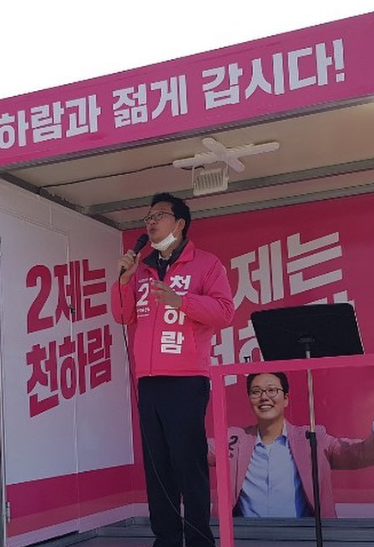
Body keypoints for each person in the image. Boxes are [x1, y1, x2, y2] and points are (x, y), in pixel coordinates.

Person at [111, 192, 234, 547]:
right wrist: (123, 281)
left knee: (188, 463)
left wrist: (182, 302)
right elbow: (123, 316)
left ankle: (198, 540)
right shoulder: (142, 269)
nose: (151, 222)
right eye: (148, 217)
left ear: (179, 224)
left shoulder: (206, 264)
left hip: (186, 379)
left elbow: (225, 312)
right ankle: (165, 540)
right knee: (157, 467)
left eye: (159, 215)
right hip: (148, 381)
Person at [208, 367, 374, 518]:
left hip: (303, 539)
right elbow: (194, 450)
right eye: (256, 391)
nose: (264, 397)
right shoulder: (233, 440)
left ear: (286, 399)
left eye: (271, 390)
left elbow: (365, 453)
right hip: (248, 539)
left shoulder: (313, 439)